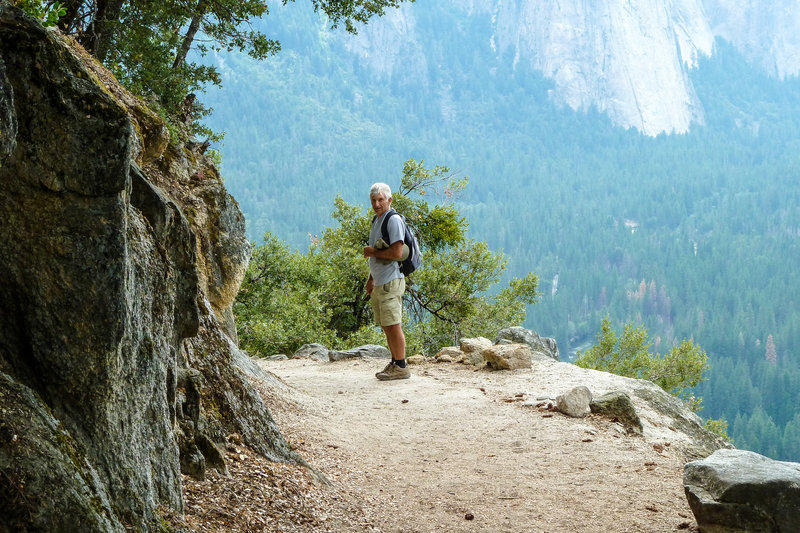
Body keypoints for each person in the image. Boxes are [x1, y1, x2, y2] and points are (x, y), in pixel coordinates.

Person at [363, 182, 410, 381]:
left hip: (392, 280)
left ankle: (401, 366)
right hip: (381, 281)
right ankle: (394, 362)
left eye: (381, 199)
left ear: (389, 200)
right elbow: (378, 257)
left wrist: (372, 251)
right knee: (385, 324)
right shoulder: (377, 220)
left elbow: (397, 252)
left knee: (393, 324)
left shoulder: (393, 220)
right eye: (373, 200)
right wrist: (371, 279)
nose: (377, 203)